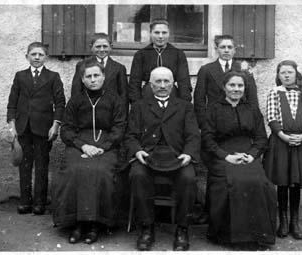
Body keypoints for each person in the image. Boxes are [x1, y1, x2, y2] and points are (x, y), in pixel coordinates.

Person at [125, 67, 200, 251]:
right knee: (138, 175)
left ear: (173, 84)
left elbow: (193, 136)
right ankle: (146, 227)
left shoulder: (184, 107)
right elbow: (130, 136)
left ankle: (182, 228)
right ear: (150, 85)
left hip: (177, 156)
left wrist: (188, 154)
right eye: (157, 82)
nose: (162, 85)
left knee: (188, 178)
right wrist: (137, 152)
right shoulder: (139, 106)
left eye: (166, 81)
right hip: (148, 156)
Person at [52, 59, 127, 244]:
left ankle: (95, 224)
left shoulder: (115, 100)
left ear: (104, 77)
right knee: (73, 170)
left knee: (100, 172)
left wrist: (103, 147)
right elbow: (67, 129)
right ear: (82, 80)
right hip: (80, 144)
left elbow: (119, 127)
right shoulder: (76, 101)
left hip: (106, 145)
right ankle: (77, 223)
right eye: (88, 76)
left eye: (96, 75)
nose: (93, 80)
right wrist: (83, 145)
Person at [202, 71, 276, 246]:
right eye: (232, 85)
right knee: (230, 182)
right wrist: (226, 156)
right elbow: (207, 139)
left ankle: (257, 235)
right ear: (224, 87)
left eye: (240, 86)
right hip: (222, 155)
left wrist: (251, 156)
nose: (236, 89)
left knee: (259, 182)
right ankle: (228, 236)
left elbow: (260, 138)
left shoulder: (251, 109)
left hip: (247, 154)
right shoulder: (213, 109)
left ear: (245, 88)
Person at [7, 42, 65, 215]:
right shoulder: (20, 76)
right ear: (27, 57)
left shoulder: (53, 77)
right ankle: (25, 201)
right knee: (24, 166)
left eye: (40, 54)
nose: (37, 57)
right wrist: (12, 127)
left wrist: (55, 125)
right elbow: (12, 104)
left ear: (46, 57)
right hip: (23, 128)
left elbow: (60, 103)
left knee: (41, 166)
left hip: (43, 128)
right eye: (33, 54)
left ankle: (39, 202)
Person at [263, 60, 302, 240]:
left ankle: (295, 221)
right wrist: (284, 136)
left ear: (296, 74)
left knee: (295, 182)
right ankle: (283, 221)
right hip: (281, 141)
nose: (286, 75)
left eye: (290, 72)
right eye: (282, 73)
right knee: (283, 181)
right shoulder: (274, 93)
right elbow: (271, 118)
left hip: (300, 141)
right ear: (278, 76)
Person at [194, 34, 258, 128]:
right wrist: (204, 123)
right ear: (216, 49)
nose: (226, 50)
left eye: (230, 47)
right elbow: (199, 99)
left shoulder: (244, 70)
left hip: (239, 119)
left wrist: (251, 121)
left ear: (234, 50)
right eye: (223, 47)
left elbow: (252, 99)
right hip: (214, 119)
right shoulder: (206, 70)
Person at [128, 19, 192, 104]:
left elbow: (184, 83)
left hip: (173, 99)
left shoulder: (178, 54)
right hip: (147, 99)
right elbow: (134, 84)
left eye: (164, 33)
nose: (161, 36)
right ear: (150, 33)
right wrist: (137, 105)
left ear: (169, 33)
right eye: (157, 33)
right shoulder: (141, 55)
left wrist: (184, 106)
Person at [71, 33, 128, 111]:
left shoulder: (119, 68)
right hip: (87, 110)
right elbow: (76, 92)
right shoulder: (82, 65)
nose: (101, 50)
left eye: (105, 46)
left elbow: (123, 95)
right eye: (98, 46)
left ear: (111, 47)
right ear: (91, 47)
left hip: (111, 111)